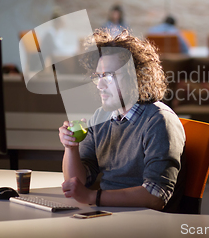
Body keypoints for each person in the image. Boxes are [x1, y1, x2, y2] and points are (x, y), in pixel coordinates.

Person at [59, 29, 186, 212]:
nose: (100, 85)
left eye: (109, 75)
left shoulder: (159, 121)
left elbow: (156, 196)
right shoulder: (100, 117)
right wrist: (70, 147)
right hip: (107, 213)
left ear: (137, 77)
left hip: (144, 221)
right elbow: (76, 183)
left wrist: (92, 196)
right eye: (98, 77)